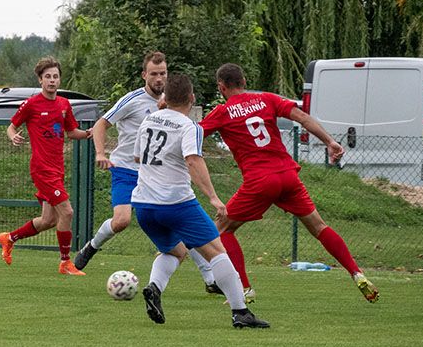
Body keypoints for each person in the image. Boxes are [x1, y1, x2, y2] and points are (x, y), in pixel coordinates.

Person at [200, 63, 379, 303]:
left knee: (222, 230)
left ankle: (244, 288)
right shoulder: (267, 99)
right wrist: (330, 142)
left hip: (260, 180)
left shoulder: (222, 112)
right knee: (319, 227)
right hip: (287, 175)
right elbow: (303, 118)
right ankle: (356, 272)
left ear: (221, 87)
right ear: (244, 82)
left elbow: (193, 136)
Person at [73, 51, 218, 292]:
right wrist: (100, 153)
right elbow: (101, 124)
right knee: (121, 221)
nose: (159, 78)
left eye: (163, 73)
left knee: (182, 222)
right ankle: (92, 246)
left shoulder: (173, 103)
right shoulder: (133, 100)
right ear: (144, 75)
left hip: (157, 174)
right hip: (127, 170)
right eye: (154, 74)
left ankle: (210, 280)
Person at [133, 73, 269, 328]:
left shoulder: (148, 120)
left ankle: (154, 288)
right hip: (176, 203)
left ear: (165, 97)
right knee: (217, 251)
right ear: (192, 98)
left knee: (175, 250)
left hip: (143, 205)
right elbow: (193, 160)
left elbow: (139, 159)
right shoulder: (189, 127)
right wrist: (214, 198)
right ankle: (241, 312)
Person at [0, 56, 93, 275]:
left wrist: (89, 133)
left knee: (49, 220)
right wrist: (13, 136)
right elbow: (11, 126)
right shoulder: (31, 104)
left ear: (60, 80)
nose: (52, 80)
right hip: (42, 169)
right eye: (47, 77)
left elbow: (71, 133)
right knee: (67, 212)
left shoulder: (64, 105)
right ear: (40, 80)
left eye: (55, 76)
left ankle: (9, 238)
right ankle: (65, 262)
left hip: (57, 169)